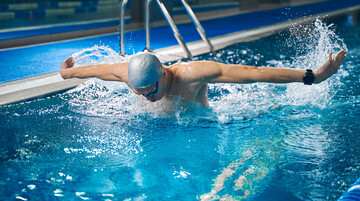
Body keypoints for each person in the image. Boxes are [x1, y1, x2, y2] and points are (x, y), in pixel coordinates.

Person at [60, 50, 346, 107]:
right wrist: (66, 72)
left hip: (200, 126)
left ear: (163, 73)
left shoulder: (191, 75)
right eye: (139, 92)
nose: (144, 98)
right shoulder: (131, 74)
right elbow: (93, 70)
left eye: (149, 92)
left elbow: (253, 74)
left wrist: (312, 77)